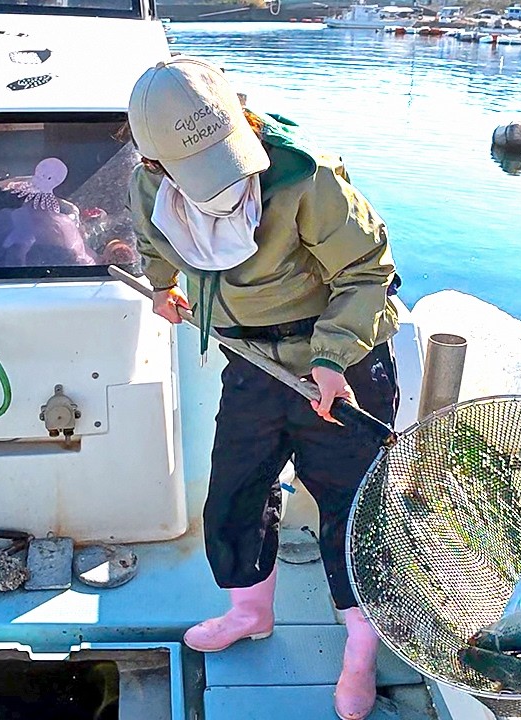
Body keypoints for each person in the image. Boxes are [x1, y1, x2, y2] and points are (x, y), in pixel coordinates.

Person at [126, 57, 399, 720]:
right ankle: (250, 612)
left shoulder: (306, 175)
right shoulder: (148, 186)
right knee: (235, 492)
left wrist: (333, 360)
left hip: (341, 359)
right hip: (250, 360)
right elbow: (156, 244)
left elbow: (367, 274)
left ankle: (361, 647)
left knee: (352, 505)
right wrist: (164, 289)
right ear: (159, 164)